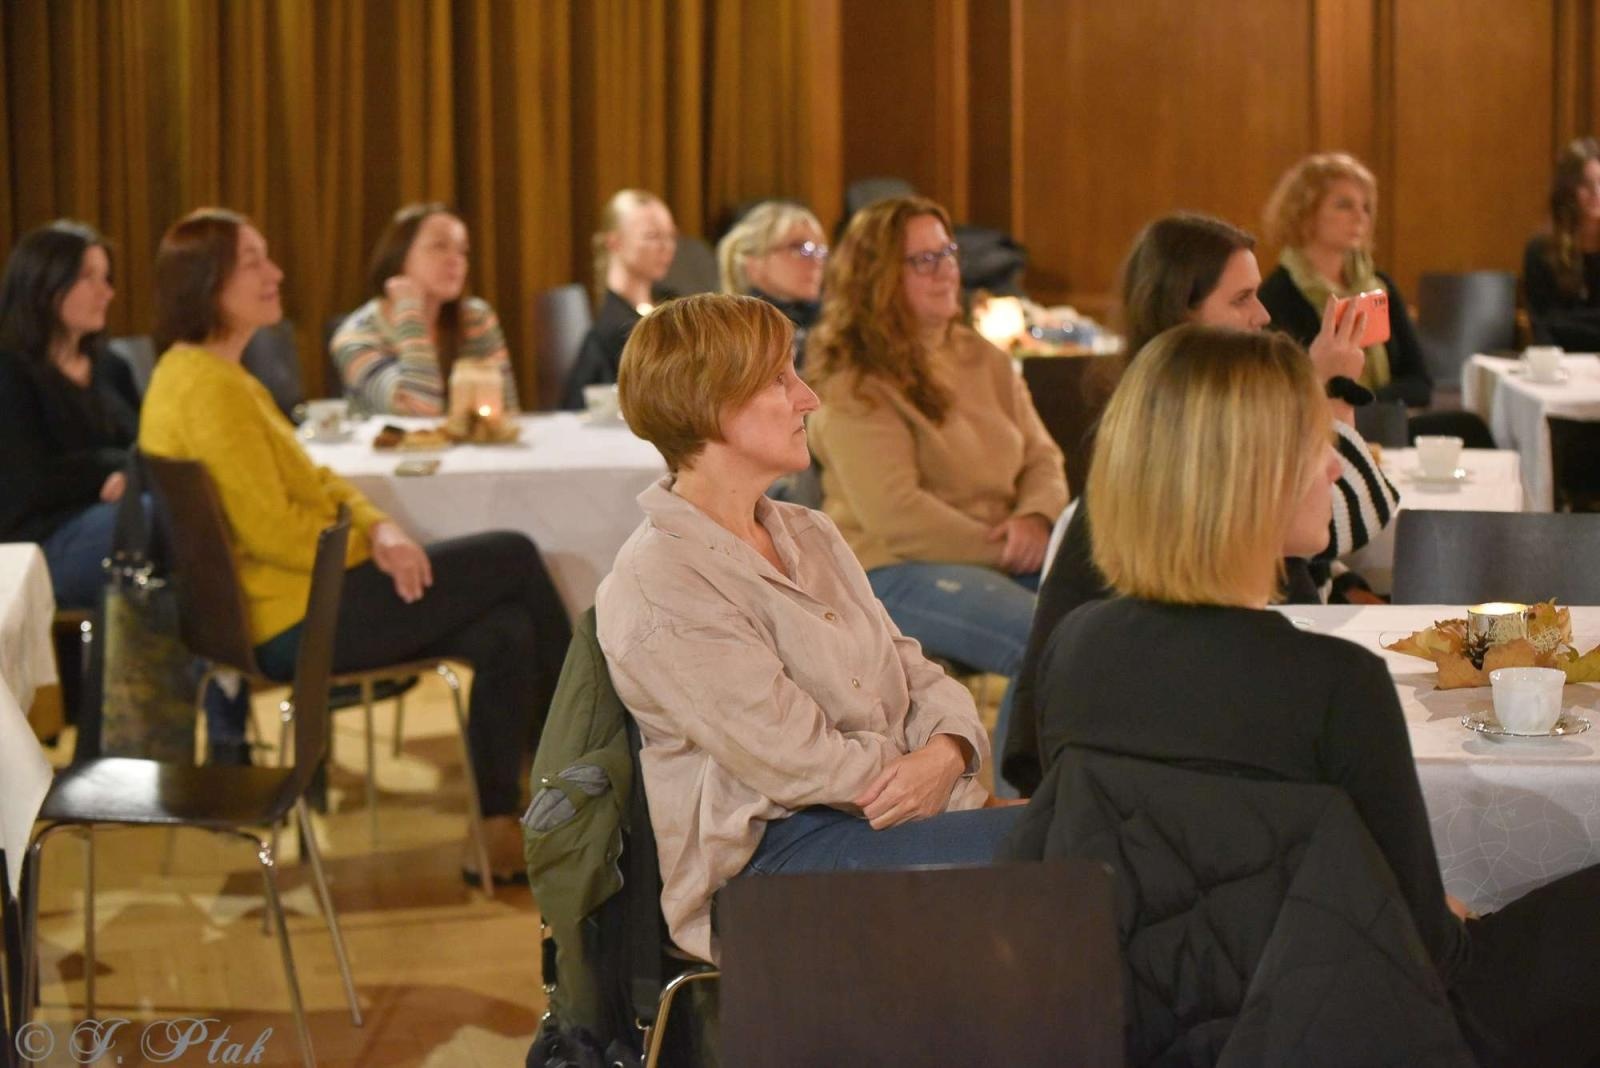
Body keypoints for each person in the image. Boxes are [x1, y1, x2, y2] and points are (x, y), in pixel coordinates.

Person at [1029, 323, 1600, 1067]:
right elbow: (1429, 950)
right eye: (1314, 442)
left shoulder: (1076, 650)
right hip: (1361, 1019)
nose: (1336, 467)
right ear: (1247, 474)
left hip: (1150, 1015)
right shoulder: (1335, 685)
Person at [139, 208, 571, 881]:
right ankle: (572, 788)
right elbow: (273, 531)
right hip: (292, 617)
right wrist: (371, 549)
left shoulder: (215, 375)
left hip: (305, 597)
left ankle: (499, 828)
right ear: (204, 281)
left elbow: (315, 478)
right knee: (514, 554)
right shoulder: (205, 388)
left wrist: (380, 526)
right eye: (253, 260)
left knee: (506, 630)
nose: (275, 272)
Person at [595, 293, 1020, 962]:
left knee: (1089, 835)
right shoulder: (660, 583)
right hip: (773, 864)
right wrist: (950, 792)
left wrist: (948, 755)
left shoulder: (807, 530)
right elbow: (798, 761)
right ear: (710, 404)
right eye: (780, 379)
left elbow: (914, 671)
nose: (809, 398)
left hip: (878, 816)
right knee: (1074, 848)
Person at [1004, 212, 1400, 794]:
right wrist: (1329, 392)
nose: (1263, 316)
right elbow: (1352, 513)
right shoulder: (1180, 442)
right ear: (1182, 310)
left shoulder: (1082, 641)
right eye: (1242, 299)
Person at [806, 196, 1068, 794]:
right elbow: (898, 516)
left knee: (1102, 618)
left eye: (947, 253)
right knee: (1047, 643)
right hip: (894, 569)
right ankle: (1010, 832)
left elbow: (1044, 456)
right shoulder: (854, 381)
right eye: (922, 260)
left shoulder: (981, 357)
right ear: (877, 280)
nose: (946, 269)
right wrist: (1006, 547)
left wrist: (1034, 515)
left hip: (1003, 552)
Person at [1258, 152, 1493, 445]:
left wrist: (1368, 405)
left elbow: (1419, 383)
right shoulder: (1276, 295)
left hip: (1384, 420)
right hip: (1317, 432)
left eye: (1366, 207)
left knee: (1469, 427)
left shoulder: (1379, 286)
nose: (1361, 217)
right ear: (1304, 212)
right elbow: (1286, 392)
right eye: (1345, 205)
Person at [0, 221, 136, 610]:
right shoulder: (9, 372)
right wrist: (111, 468)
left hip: (114, 519)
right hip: (41, 542)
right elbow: (28, 482)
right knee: (158, 518)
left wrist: (131, 471)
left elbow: (149, 442)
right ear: (44, 285)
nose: (106, 293)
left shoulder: (111, 367)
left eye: (106, 278)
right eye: (88, 278)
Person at [331, 202, 518, 416]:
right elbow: (419, 411)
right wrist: (410, 311)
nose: (455, 260)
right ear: (399, 255)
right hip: (393, 449)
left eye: (463, 251)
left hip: (467, 449)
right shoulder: (355, 337)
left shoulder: (475, 318)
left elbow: (506, 410)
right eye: (439, 246)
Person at [561, 189, 676, 409]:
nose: (666, 247)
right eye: (652, 236)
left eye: (670, 236)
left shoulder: (672, 303)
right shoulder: (605, 329)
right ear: (614, 242)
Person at [716, 200, 827, 365]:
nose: (816, 262)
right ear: (752, 261)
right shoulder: (729, 335)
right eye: (799, 248)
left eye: (820, 251)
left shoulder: (834, 326)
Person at [1525, 136, 1600, 350]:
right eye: (1586, 184)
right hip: (1560, 367)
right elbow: (1543, 325)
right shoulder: (1540, 251)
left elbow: (1557, 323)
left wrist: (1567, 324)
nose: (1597, 192)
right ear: (1567, 191)